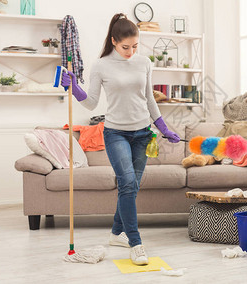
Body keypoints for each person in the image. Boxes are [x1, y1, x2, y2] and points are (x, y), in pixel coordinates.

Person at [61, 13, 180, 265]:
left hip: (143, 133)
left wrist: (163, 127)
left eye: (135, 46)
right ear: (114, 41)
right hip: (115, 132)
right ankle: (135, 243)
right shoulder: (101, 65)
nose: (131, 51)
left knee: (131, 187)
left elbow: (149, 99)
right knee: (127, 183)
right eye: (126, 47)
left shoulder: (144, 63)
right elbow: (91, 103)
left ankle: (116, 233)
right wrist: (74, 88)